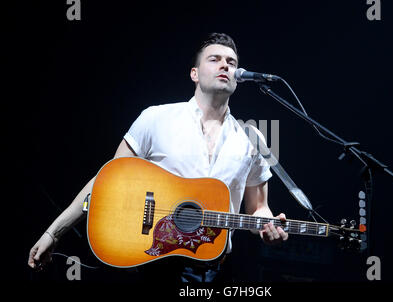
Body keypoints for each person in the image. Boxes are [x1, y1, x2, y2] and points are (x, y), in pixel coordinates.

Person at [28, 33, 288, 282]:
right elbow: (107, 181)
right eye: (214, 59)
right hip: (156, 263)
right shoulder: (156, 118)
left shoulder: (252, 137)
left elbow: (257, 209)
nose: (225, 65)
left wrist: (268, 227)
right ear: (194, 74)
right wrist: (54, 232)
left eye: (231, 62)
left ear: (238, 77)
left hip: (216, 269)